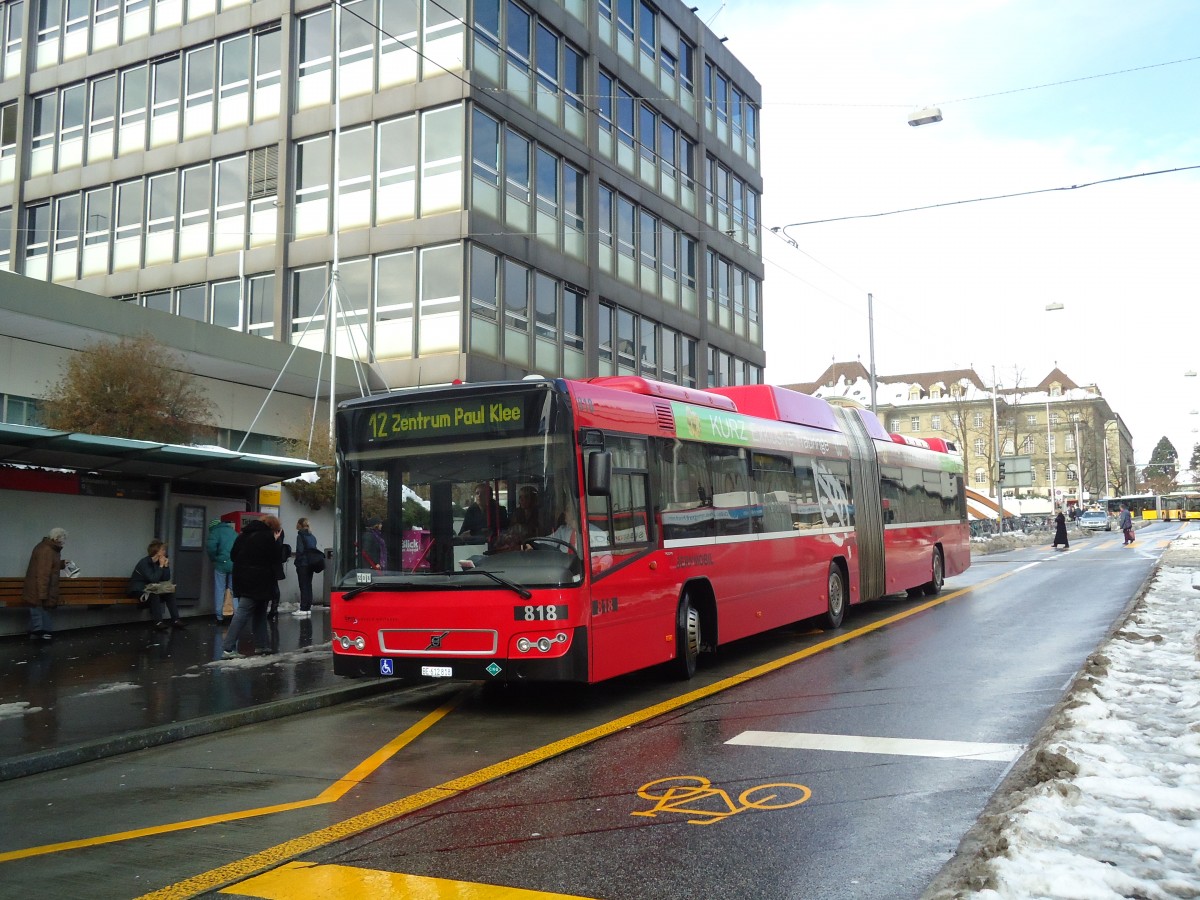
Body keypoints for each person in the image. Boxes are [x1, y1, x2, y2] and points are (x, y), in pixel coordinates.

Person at [221, 514, 282, 659]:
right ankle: (228, 648)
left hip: (242, 578)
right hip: (259, 580)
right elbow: (276, 558)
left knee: (260, 612)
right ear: (273, 527)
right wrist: (276, 541)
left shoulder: (243, 535)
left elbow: (233, 556)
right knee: (244, 612)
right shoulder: (268, 537)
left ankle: (262, 646)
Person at [23, 527, 70, 641]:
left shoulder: (47, 548)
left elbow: (49, 566)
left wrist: (62, 564)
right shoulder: (47, 550)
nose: (64, 541)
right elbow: (43, 573)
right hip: (39, 587)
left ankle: (37, 633)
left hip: (38, 587)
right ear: (57, 538)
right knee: (40, 609)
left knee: (38, 611)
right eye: (63, 538)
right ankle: (41, 633)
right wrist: (43, 594)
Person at [128, 539, 185, 629]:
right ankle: (158, 622)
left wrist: (165, 566)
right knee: (154, 594)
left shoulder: (158, 563)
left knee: (169, 594)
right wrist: (161, 566)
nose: (165, 552)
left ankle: (176, 620)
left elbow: (166, 578)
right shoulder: (144, 562)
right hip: (138, 590)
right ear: (157, 552)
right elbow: (153, 579)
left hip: (151, 590)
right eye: (163, 550)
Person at [205, 517, 237, 623]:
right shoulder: (232, 531)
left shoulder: (214, 532)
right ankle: (235, 614)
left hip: (221, 565)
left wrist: (214, 559)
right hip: (234, 564)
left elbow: (211, 548)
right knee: (233, 590)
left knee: (220, 589)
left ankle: (220, 616)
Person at [293, 517, 320, 618]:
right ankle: (308, 607)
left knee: (303, 585)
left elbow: (300, 550)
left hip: (303, 564)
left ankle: (303, 608)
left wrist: (297, 562)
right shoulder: (312, 536)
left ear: (299, 524)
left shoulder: (300, 535)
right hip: (311, 563)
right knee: (308, 585)